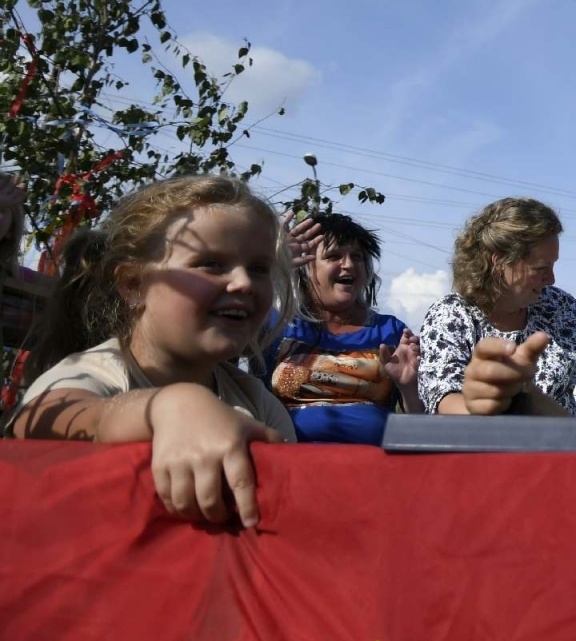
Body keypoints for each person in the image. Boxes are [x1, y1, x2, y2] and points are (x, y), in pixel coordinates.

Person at [6, 174, 297, 529]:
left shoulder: (257, 403)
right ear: (133, 285)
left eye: (258, 269)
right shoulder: (96, 372)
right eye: (211, 264)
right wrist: (170, 407)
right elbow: (38, 420)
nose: (244, 282)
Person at [417, 196, 576, 416]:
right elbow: (444, 399)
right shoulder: (451, 316)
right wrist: (484, 406)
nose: (551, 279)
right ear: (500, 262)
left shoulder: (556, 306)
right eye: (540, 268)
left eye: (552, 265)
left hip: (563, 439)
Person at [264, 213, 422, 444]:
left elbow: (420, 427)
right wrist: (270, 263)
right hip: (287, 459)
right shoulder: (275, 324)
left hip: (374, 461)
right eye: (333, 256)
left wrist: (409, 387)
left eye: (357, 257)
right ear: (303, 267)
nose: (348, 264)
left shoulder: (391, 331)